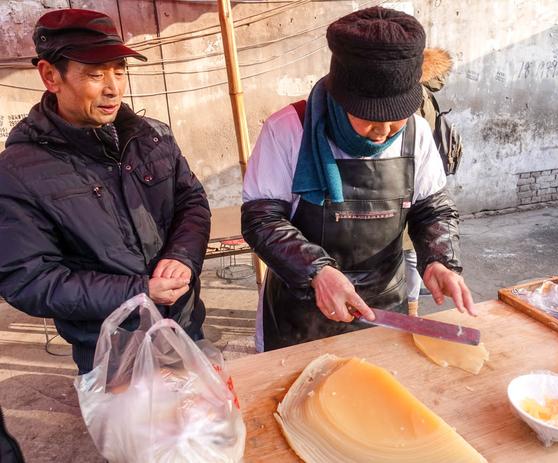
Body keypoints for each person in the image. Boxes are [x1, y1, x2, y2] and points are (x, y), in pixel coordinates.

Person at [242, 6, 476, 352]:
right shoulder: (288, 130)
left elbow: (432, 209)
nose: (382, 132)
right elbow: (261, 219)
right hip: (300, 315)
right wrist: (316, 271)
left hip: (382, 309)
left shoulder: (417, 133)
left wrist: (439, 259)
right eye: (369, 117)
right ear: (340, 96)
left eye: (395, 118)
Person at [0, 9, 211, 374]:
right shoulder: (18, 173)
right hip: (111, 352)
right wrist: (138, 289)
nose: (113, 88)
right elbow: (29, 279)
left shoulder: (151, 136)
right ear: (51, 75)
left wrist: (182, 256)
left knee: (203, 426)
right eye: (96, 74)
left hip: (184, 325)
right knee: (134, 432)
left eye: (119, 71)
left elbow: (191, 201)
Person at [404, 47, 454, 316]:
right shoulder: (426, 96)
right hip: (412, 179)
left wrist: (442, 260)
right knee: (409, 253)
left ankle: (411, 308)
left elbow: (437, 211)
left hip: (413, 181)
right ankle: (410, 305)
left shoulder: (417, 98)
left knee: (411, 253)